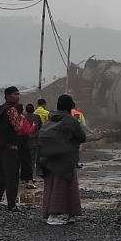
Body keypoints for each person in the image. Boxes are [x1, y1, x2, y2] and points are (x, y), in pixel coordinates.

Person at [41, 94, 86, 225]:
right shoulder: (70, 120)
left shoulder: (50, 119)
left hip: (49, 158)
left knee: (51, 186)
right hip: (65, 159)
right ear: (71, 106)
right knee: (64, 186)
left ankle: (52, 213)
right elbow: (82, 137)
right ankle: (58, 214)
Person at [0, 86, 23, 211]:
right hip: (10, 148)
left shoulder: (0, 109)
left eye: (18, 94)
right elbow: (18, 128)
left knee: (1, 175)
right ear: (7, 96)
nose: (18, 96)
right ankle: (12, 204)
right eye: (15, 94)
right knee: (12, 175)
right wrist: (22, 117)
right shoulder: (12, 110)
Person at [15, 104, 36, 189]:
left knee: (18, 161)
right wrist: (33, 126)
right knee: (27, 161)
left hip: (15, 141)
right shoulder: (22, 118)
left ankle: (19, 179)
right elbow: (27, 131)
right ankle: (27, 181)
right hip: (24, 141)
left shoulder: (13, 119)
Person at [25, 103, 42, 179]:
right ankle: (33, 175)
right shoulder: (37, 117)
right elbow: (40, 127)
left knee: (26, 159)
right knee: (34, 159)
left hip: (25, 141)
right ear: (33, 109)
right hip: (35, 141)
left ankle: (26, 175)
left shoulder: (23, 117)